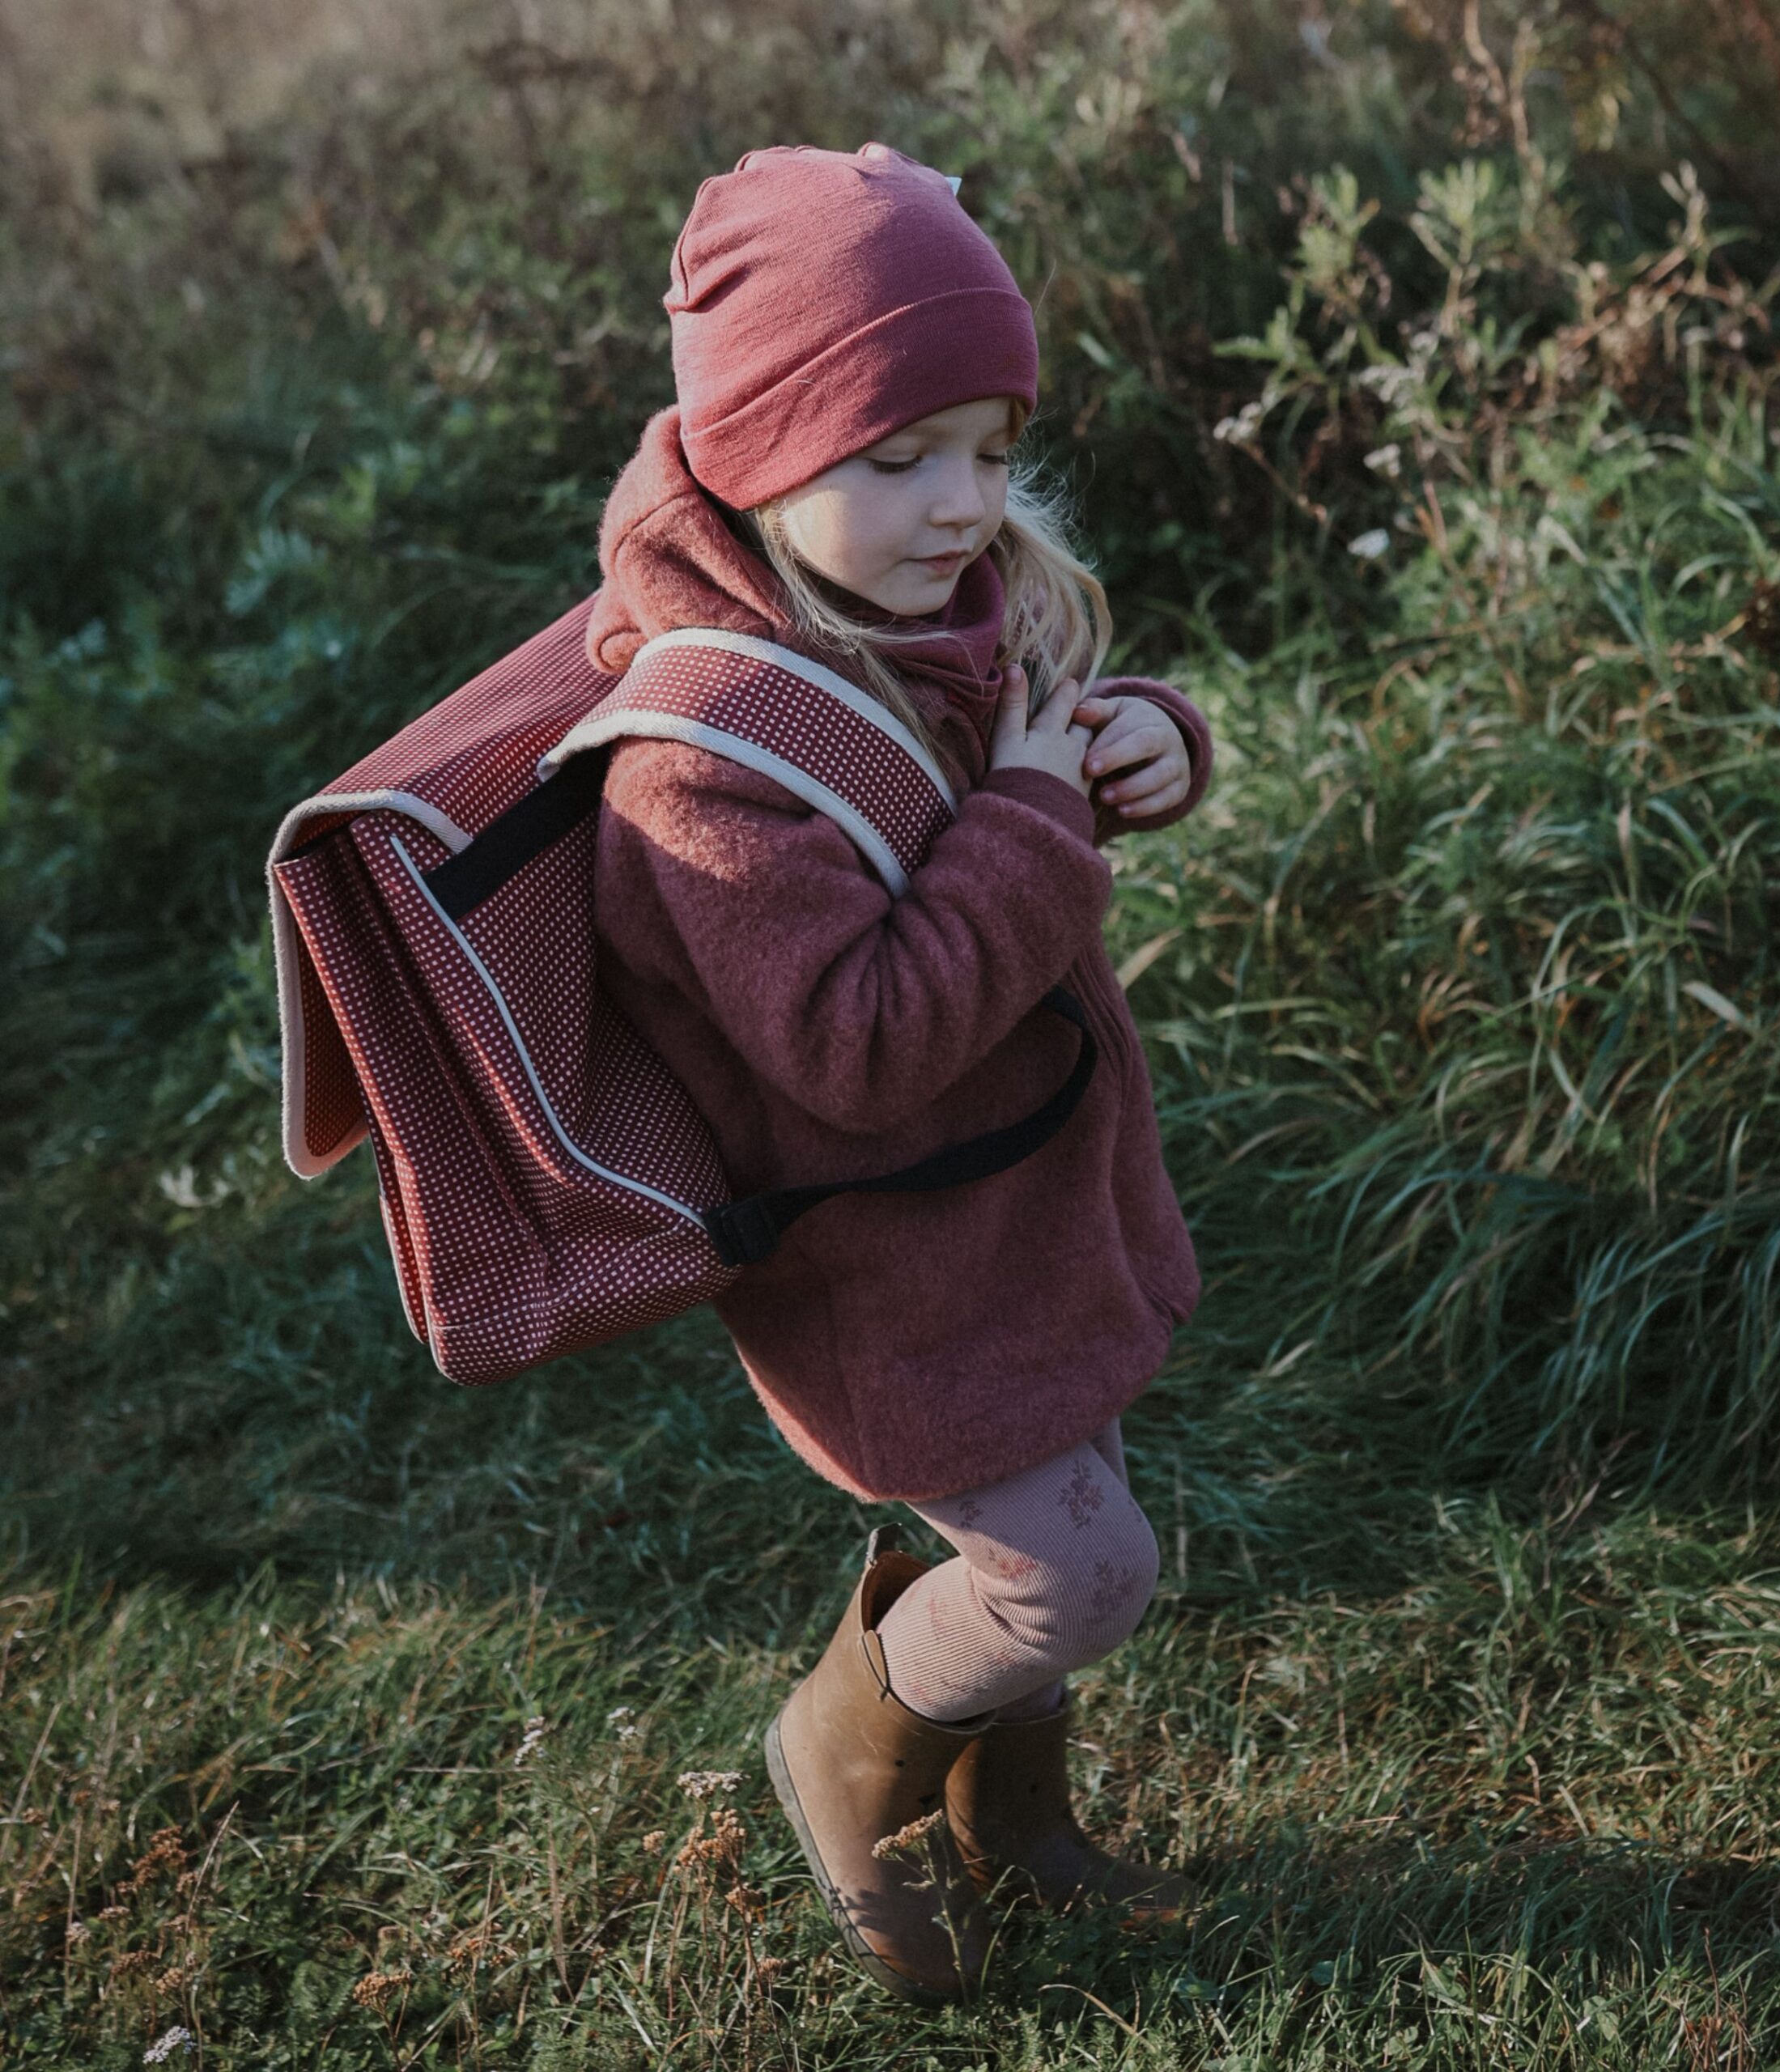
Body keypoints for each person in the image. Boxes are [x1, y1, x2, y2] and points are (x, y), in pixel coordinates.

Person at [585, 142, 1213, 2002]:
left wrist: (1142, 748)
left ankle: (1003, 1819)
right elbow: (853, 1044)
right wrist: (1033, 812)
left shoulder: (905, 596)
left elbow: (1036, 748)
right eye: (900, 455)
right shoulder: (696, 765)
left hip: (1015, 1211)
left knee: (1069, 1499)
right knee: (1072, 1571)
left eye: (991, 446)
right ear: (762, 444)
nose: (967, 503)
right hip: (893, 1259)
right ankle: (844, 1758)